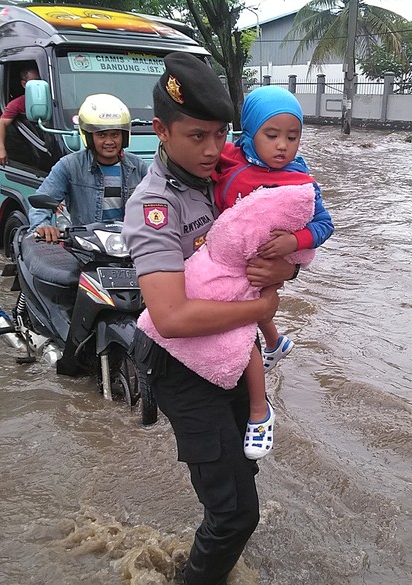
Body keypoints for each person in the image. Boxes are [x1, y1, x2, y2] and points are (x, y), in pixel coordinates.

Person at [122, 52, 295, 585]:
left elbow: (264, 259)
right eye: (196, 135)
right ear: (160, 131)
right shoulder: (155, 205)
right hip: (182, 364)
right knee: (236, 514)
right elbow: (169, 316)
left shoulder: (228, 182)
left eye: (219, 134)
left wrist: (285, 260)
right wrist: (262, 309)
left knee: (243, 472)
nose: (211, 148)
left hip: (230, 349)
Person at [214, 85, 334, 459]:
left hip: (262, 266)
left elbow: (324, 225)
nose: (283, 145)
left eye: (292, 137)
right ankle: (276, 342)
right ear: (249, 133)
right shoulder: (226, 160)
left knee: (240, 333)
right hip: (225, 261)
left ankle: (259, 411)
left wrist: (295, 241)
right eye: (272, 135)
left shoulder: (301, 180)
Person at [28, 93, 148, 240]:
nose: (109, 141)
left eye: (115, 135)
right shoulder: (70, 166)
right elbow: (41, 203)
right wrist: (42, 226)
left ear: (124, 136)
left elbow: (158, 202)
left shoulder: (138, 167)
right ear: (89, 137)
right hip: (87, 247)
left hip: (129, 246)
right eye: (102, 136)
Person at [0, 65, 40, 165]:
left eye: (41, 81)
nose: (39, 85)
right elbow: (1, 124)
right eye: (35, 81)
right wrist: (1, 149)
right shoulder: (17, 104)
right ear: (24, 84)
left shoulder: (53, 98)